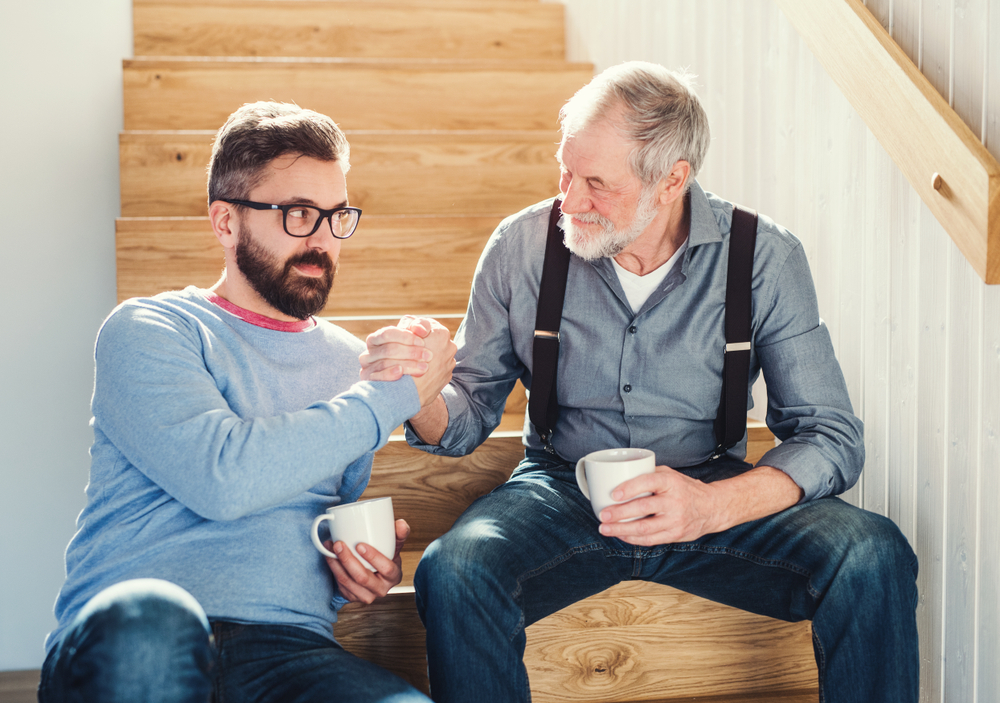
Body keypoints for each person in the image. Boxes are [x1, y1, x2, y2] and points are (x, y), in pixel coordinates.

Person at [361, 62, 919, 703]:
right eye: (565, 172)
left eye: (598, 184)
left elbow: (830, 435)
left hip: (709, 487)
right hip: (561, 491)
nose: (571, 200)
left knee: (872, 554)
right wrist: (419, 388)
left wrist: (712, 505)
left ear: (672, 180)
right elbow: (465, 417)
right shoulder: (522, 247)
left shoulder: (763, 255)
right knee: (455, 568)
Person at [40, 101, 455, 702]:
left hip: (286, 653)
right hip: (135, 639)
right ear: (225, 221)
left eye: (337, 216)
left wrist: (354, 573)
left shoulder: (350, 364)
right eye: (298, 214)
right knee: (154, 625)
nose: (322, 240)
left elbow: (312, 517)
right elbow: (223, 480)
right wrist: (394, 395)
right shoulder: (150, 328)